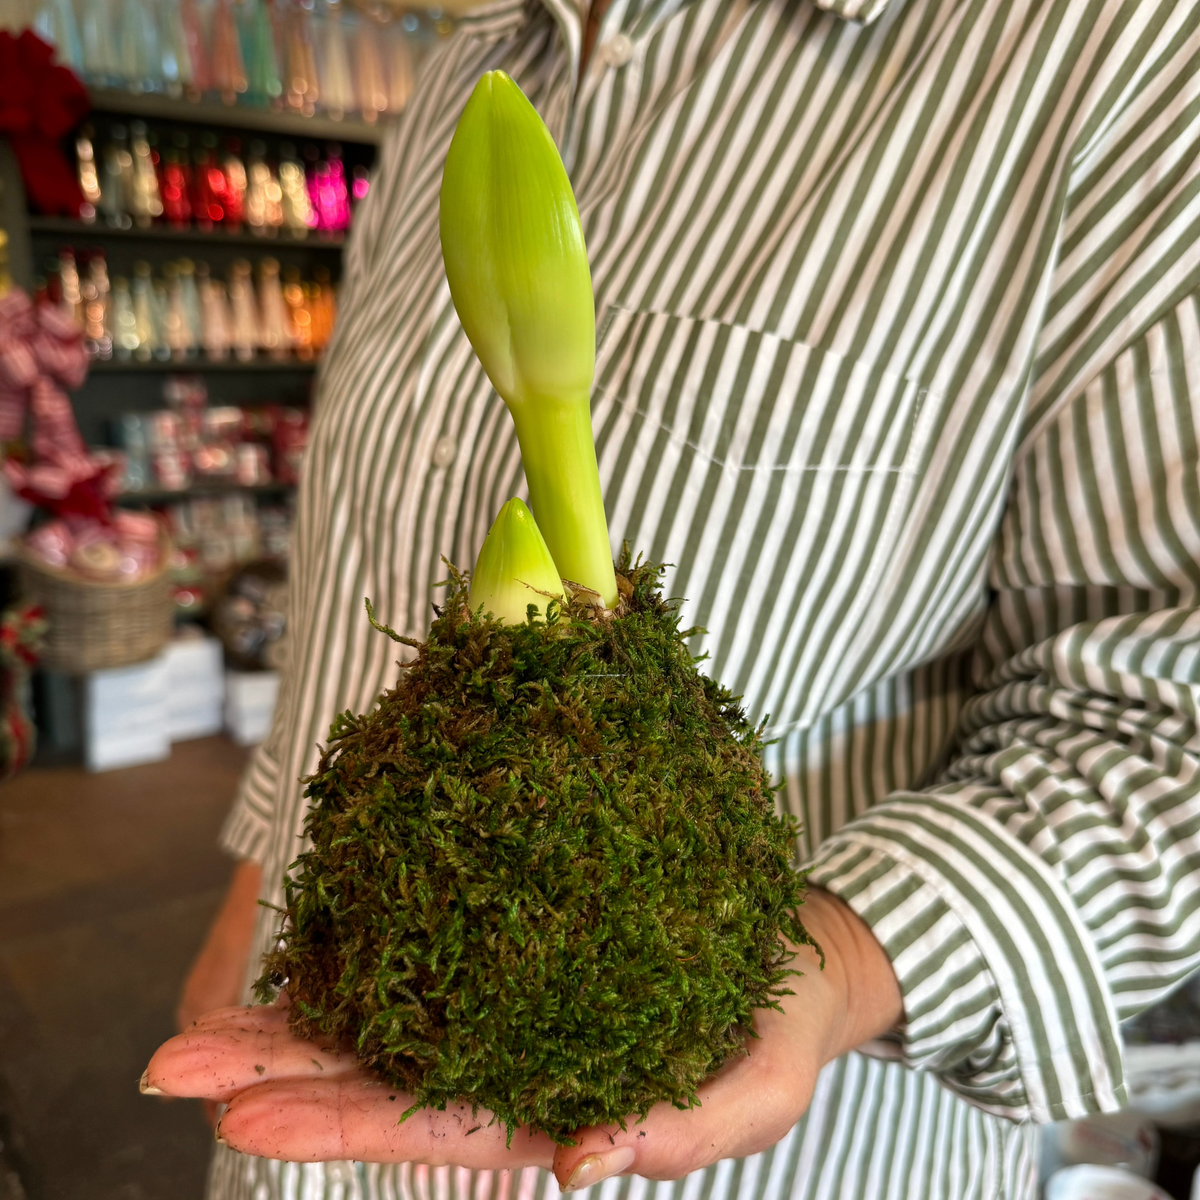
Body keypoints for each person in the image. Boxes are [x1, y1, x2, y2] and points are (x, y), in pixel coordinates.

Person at [144, 0, 1200, 1195]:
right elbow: (358, 587)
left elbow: (1169, 713)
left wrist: (841, 963)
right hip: (325, 1070)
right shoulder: (474, 65)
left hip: (774, 1143)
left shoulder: (1109, 50)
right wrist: (256, 887)